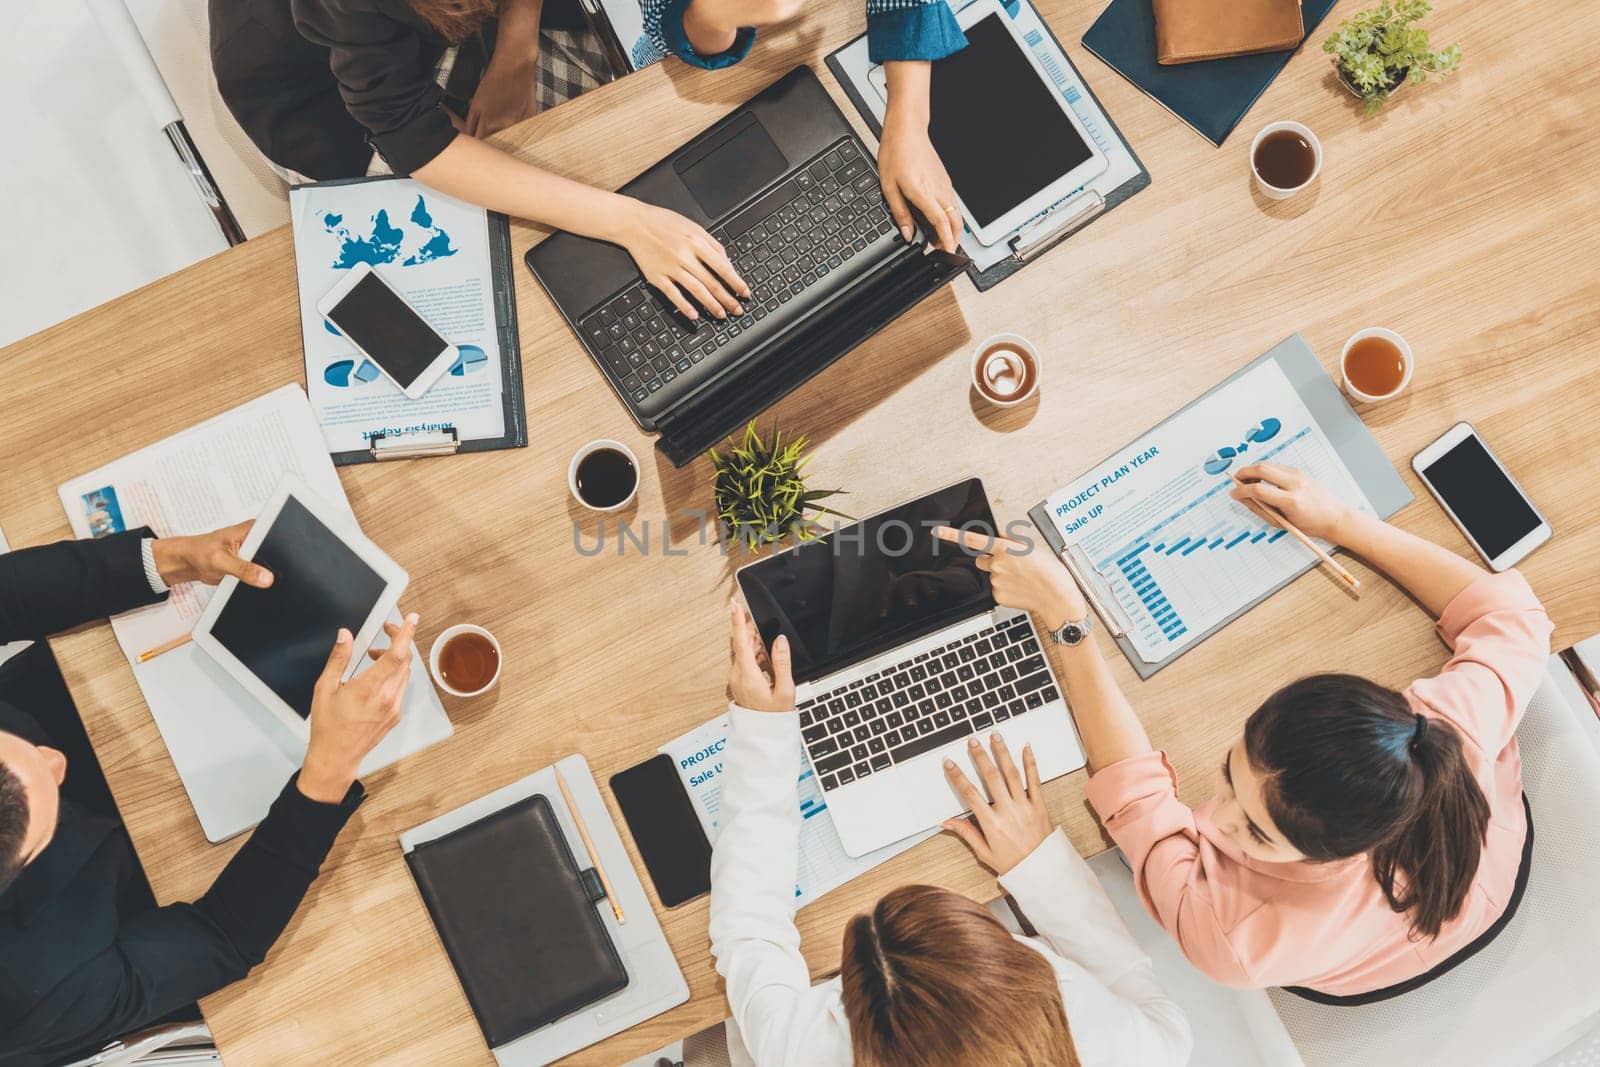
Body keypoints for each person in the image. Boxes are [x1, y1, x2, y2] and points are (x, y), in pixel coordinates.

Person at [937, 460, 1552, 1002]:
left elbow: (1137, 797)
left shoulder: (1233, 941)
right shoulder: (1439, 736)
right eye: (1231, 774)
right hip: (1491, 863)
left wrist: (1065, 616)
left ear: (1339, 854)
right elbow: (1512, 617)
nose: (1214, 819)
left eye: (1255, 831)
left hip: (1387, 952)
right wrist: (1339, 520)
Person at [0, 523, 417, 1064]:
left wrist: (168, 560)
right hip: (158, 870)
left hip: (85, 683)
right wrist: (326, 776)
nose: (52, 758)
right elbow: (221, 937)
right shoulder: (38, 996)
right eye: (40, 794)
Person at [711, 602, 1191, 1065]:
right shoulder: (1134, 1048)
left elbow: (749, 932)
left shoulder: (806, 1050)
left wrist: (761, 727)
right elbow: (1140, 994)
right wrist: (1038, 863)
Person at [211, 0, 750, 321]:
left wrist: (516, 52)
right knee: (489, 284)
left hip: (439, 35)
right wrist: (631, 221)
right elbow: (408, 133)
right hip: (319, 97)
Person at [655, 0, 969, 254]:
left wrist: (910, 122)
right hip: (683, 85)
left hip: (820, 48)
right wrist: (716, 12)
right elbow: (665, 18)